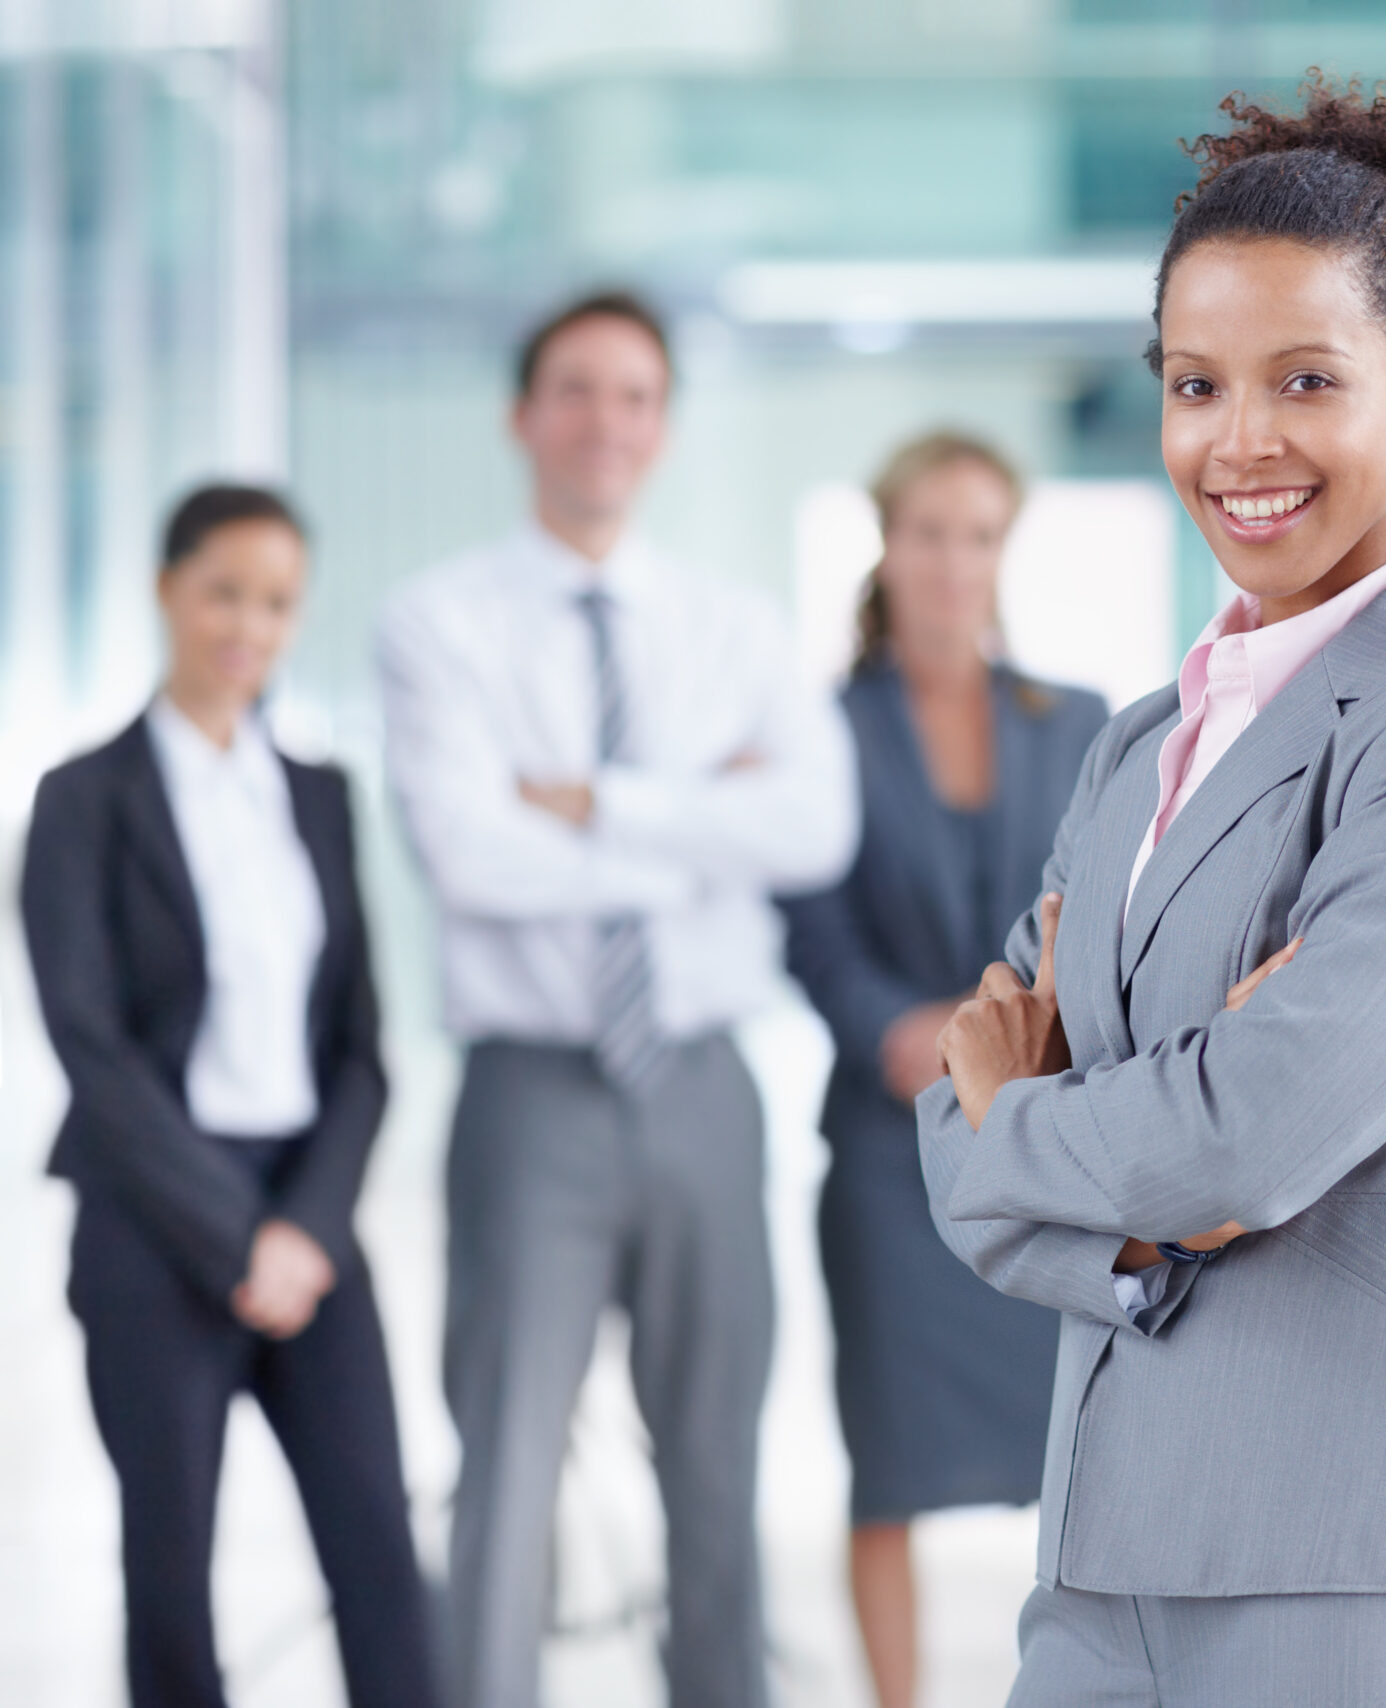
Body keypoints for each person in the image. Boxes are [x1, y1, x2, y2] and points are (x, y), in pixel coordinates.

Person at [917, 81, 1386, 1708]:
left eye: (1306, 381)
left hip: (1362, 1555)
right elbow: (958, 1133)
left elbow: (1253, 1130)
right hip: (1100, 1559)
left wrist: (1035, 1115)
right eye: (1196, 385)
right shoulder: (1138, 745)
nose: (1242, 440)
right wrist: (1131, 1225)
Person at [378, 290, 857, 1708]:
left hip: (707, 1083)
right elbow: (469, 855)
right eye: (577, 391)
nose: (607, 422)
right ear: (523, 417)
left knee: (719, 1469)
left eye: (635, 395)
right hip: (530, 1093)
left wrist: (593, 804)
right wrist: (700, 820)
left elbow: (815, 829)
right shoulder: (439, 623)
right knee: (508, 1469)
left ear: (662, 428)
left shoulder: (733, 625)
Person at [20, 484, 438, 1708]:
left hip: (307, 1209)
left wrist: (303, 1228)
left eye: (275, 601)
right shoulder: (82, 797)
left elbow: (363, 1044)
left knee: (375, 1539)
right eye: (223, 592)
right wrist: (233, 1231)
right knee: (170, 1566)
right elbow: (88, 1043)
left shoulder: (319, 793)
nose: (247, 625)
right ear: (167, 589)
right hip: (153, 1219)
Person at [776, 432, 1108, 1708]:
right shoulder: (824, 729)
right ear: (885, 545)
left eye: (976, 535)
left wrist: (1021, 1030)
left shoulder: (1074, 721)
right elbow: (810, 929)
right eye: (927, 532)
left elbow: (1096, 912)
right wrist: (888, 1029)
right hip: (888, 1138)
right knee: (891, 1455)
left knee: (1081, 1446)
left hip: (1041, 1133)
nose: (951, 562)